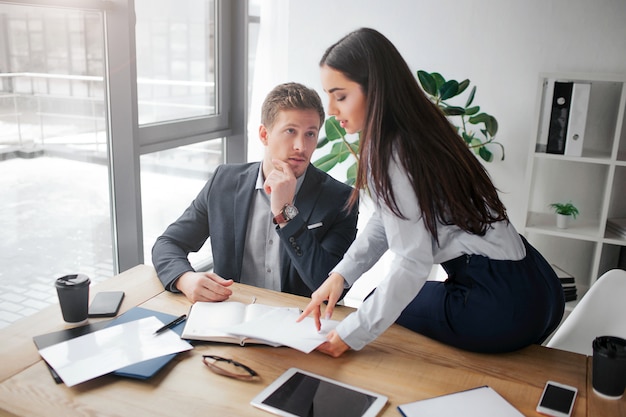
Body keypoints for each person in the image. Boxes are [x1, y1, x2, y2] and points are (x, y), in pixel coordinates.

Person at [298, 28, 564, 357]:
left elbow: (412, 262)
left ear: (375, 89)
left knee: (373, 308)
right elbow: (386, 219)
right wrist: (341, 274)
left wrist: (348, 336)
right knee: (381, 306)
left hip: (499, 303)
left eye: (340, 96)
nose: (332, 111)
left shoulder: (392, 152)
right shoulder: (422, 128)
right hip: (540, 286)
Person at [153, 82, 358, 303]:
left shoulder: (341, 199)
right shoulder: (224, 182)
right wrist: (185, 279)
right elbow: (168, 243)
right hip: (231, 313)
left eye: (310, 134)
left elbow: (329, 288)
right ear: (264, 134)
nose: (301, 146)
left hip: (298, 323)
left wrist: (286, 213)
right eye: (291, 131)